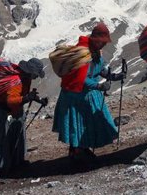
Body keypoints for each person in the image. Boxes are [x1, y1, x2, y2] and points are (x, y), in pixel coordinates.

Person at [52, 23, 124, 164]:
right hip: (76, 95)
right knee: (79, 123)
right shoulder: (83, 53)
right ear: (96, 39)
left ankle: (82, 149)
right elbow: (81, 78)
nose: (104, 45)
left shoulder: (95, 53)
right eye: (102, 42)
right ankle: (77, 151)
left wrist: (114, 76)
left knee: (83, 123)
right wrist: (98, 85)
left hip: (85, 94)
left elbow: (100, 69)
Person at [0, 57, 46, 173]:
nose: (36, 77)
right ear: (30, 72)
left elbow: (23, 94)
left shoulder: (25, 78)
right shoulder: (16, 81)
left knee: (13, 136)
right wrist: (26, 98)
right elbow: (11, 101)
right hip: (0, 109)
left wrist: (38, 99)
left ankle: (14, 161)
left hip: (9, 109)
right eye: (35, 74)